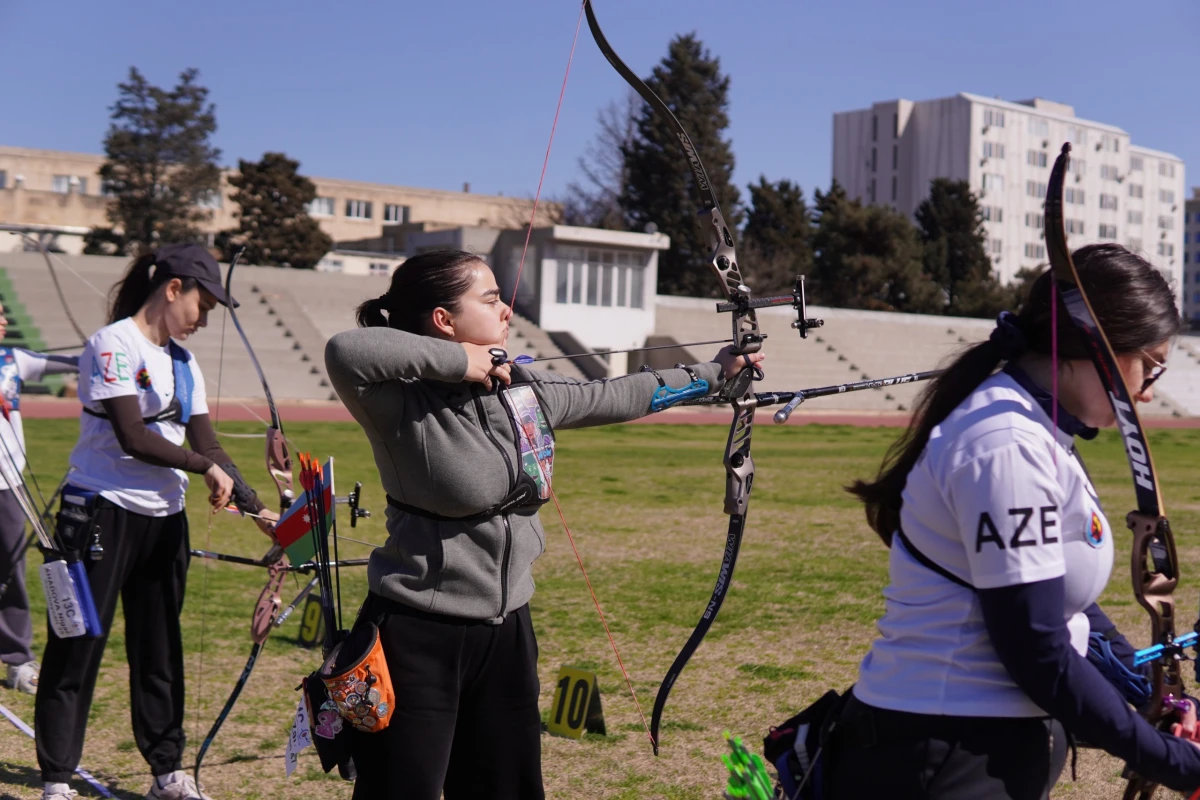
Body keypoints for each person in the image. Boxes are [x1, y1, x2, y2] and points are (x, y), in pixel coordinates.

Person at [324, 249, 762, 799]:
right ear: (444, 320)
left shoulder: (521, 390)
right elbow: (346, 349)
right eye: (489, 299)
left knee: (508, 788)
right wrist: (464, 362)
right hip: (417, 632)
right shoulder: (399, 403)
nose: (506, 309)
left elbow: (617, 393)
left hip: (507, 630)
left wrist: (717, 374)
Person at [825, 243, 1200, 799]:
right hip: (942, 753)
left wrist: (1153, 689)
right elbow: (1038, 649)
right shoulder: (1006, 445)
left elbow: (1065, 605)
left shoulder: (1035, 431)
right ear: (1096, 345)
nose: (1149, 388)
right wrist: (1176, 763)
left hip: (980, 746)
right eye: (1150, 363)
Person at [34, 244, 280, 800]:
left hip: (164, 522)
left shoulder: (184, 363)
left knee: (160, 649)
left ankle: (167, 772)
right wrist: (203, 468)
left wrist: (254, 504)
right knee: (77, 647)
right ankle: (56, 780)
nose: (204, 319)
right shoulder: (111, 344)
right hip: (99, 511)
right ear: (174, 288)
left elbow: (206, 441)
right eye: (202, 305)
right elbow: (133, 436)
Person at [0, 302, 80, 696]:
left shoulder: (14, 360)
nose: (3, 321)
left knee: (11, 569)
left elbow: (69, 363)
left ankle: (16, 660)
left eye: (3, 313)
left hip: (8, 484)